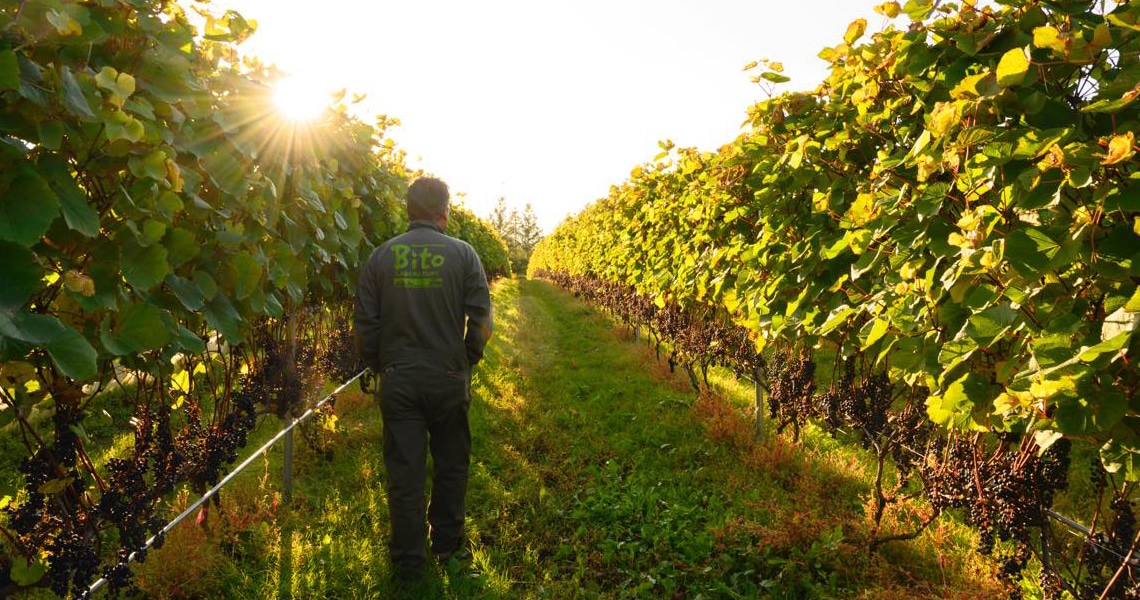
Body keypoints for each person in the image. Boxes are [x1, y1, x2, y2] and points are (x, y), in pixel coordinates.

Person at [354, 176, 493, 582]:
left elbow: (365, 323)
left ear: (408, 210)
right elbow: (481, 321)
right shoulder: (464, 255)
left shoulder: (381, 257)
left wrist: (381, 364)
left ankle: (409, 561)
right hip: (448, 376)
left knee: (405, 470)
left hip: (398, 379)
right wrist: (465, 359)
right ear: (444, 211)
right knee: (451, 462)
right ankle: (447, 544)